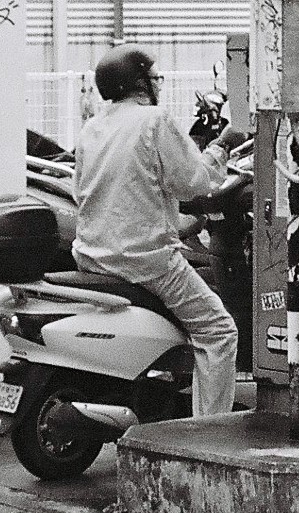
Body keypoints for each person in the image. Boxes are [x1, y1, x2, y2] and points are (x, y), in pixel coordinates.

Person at [71, 44, 248, 417]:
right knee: (219, 333)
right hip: (146, 263)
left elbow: (93, 194)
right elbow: (196, 182)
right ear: (140, 83)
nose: (159, 85)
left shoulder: (92, 128)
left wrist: (174, 223)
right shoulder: (154, 120)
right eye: (155, 78)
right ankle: (210, 431)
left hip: (93, 256)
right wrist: (223, 144)